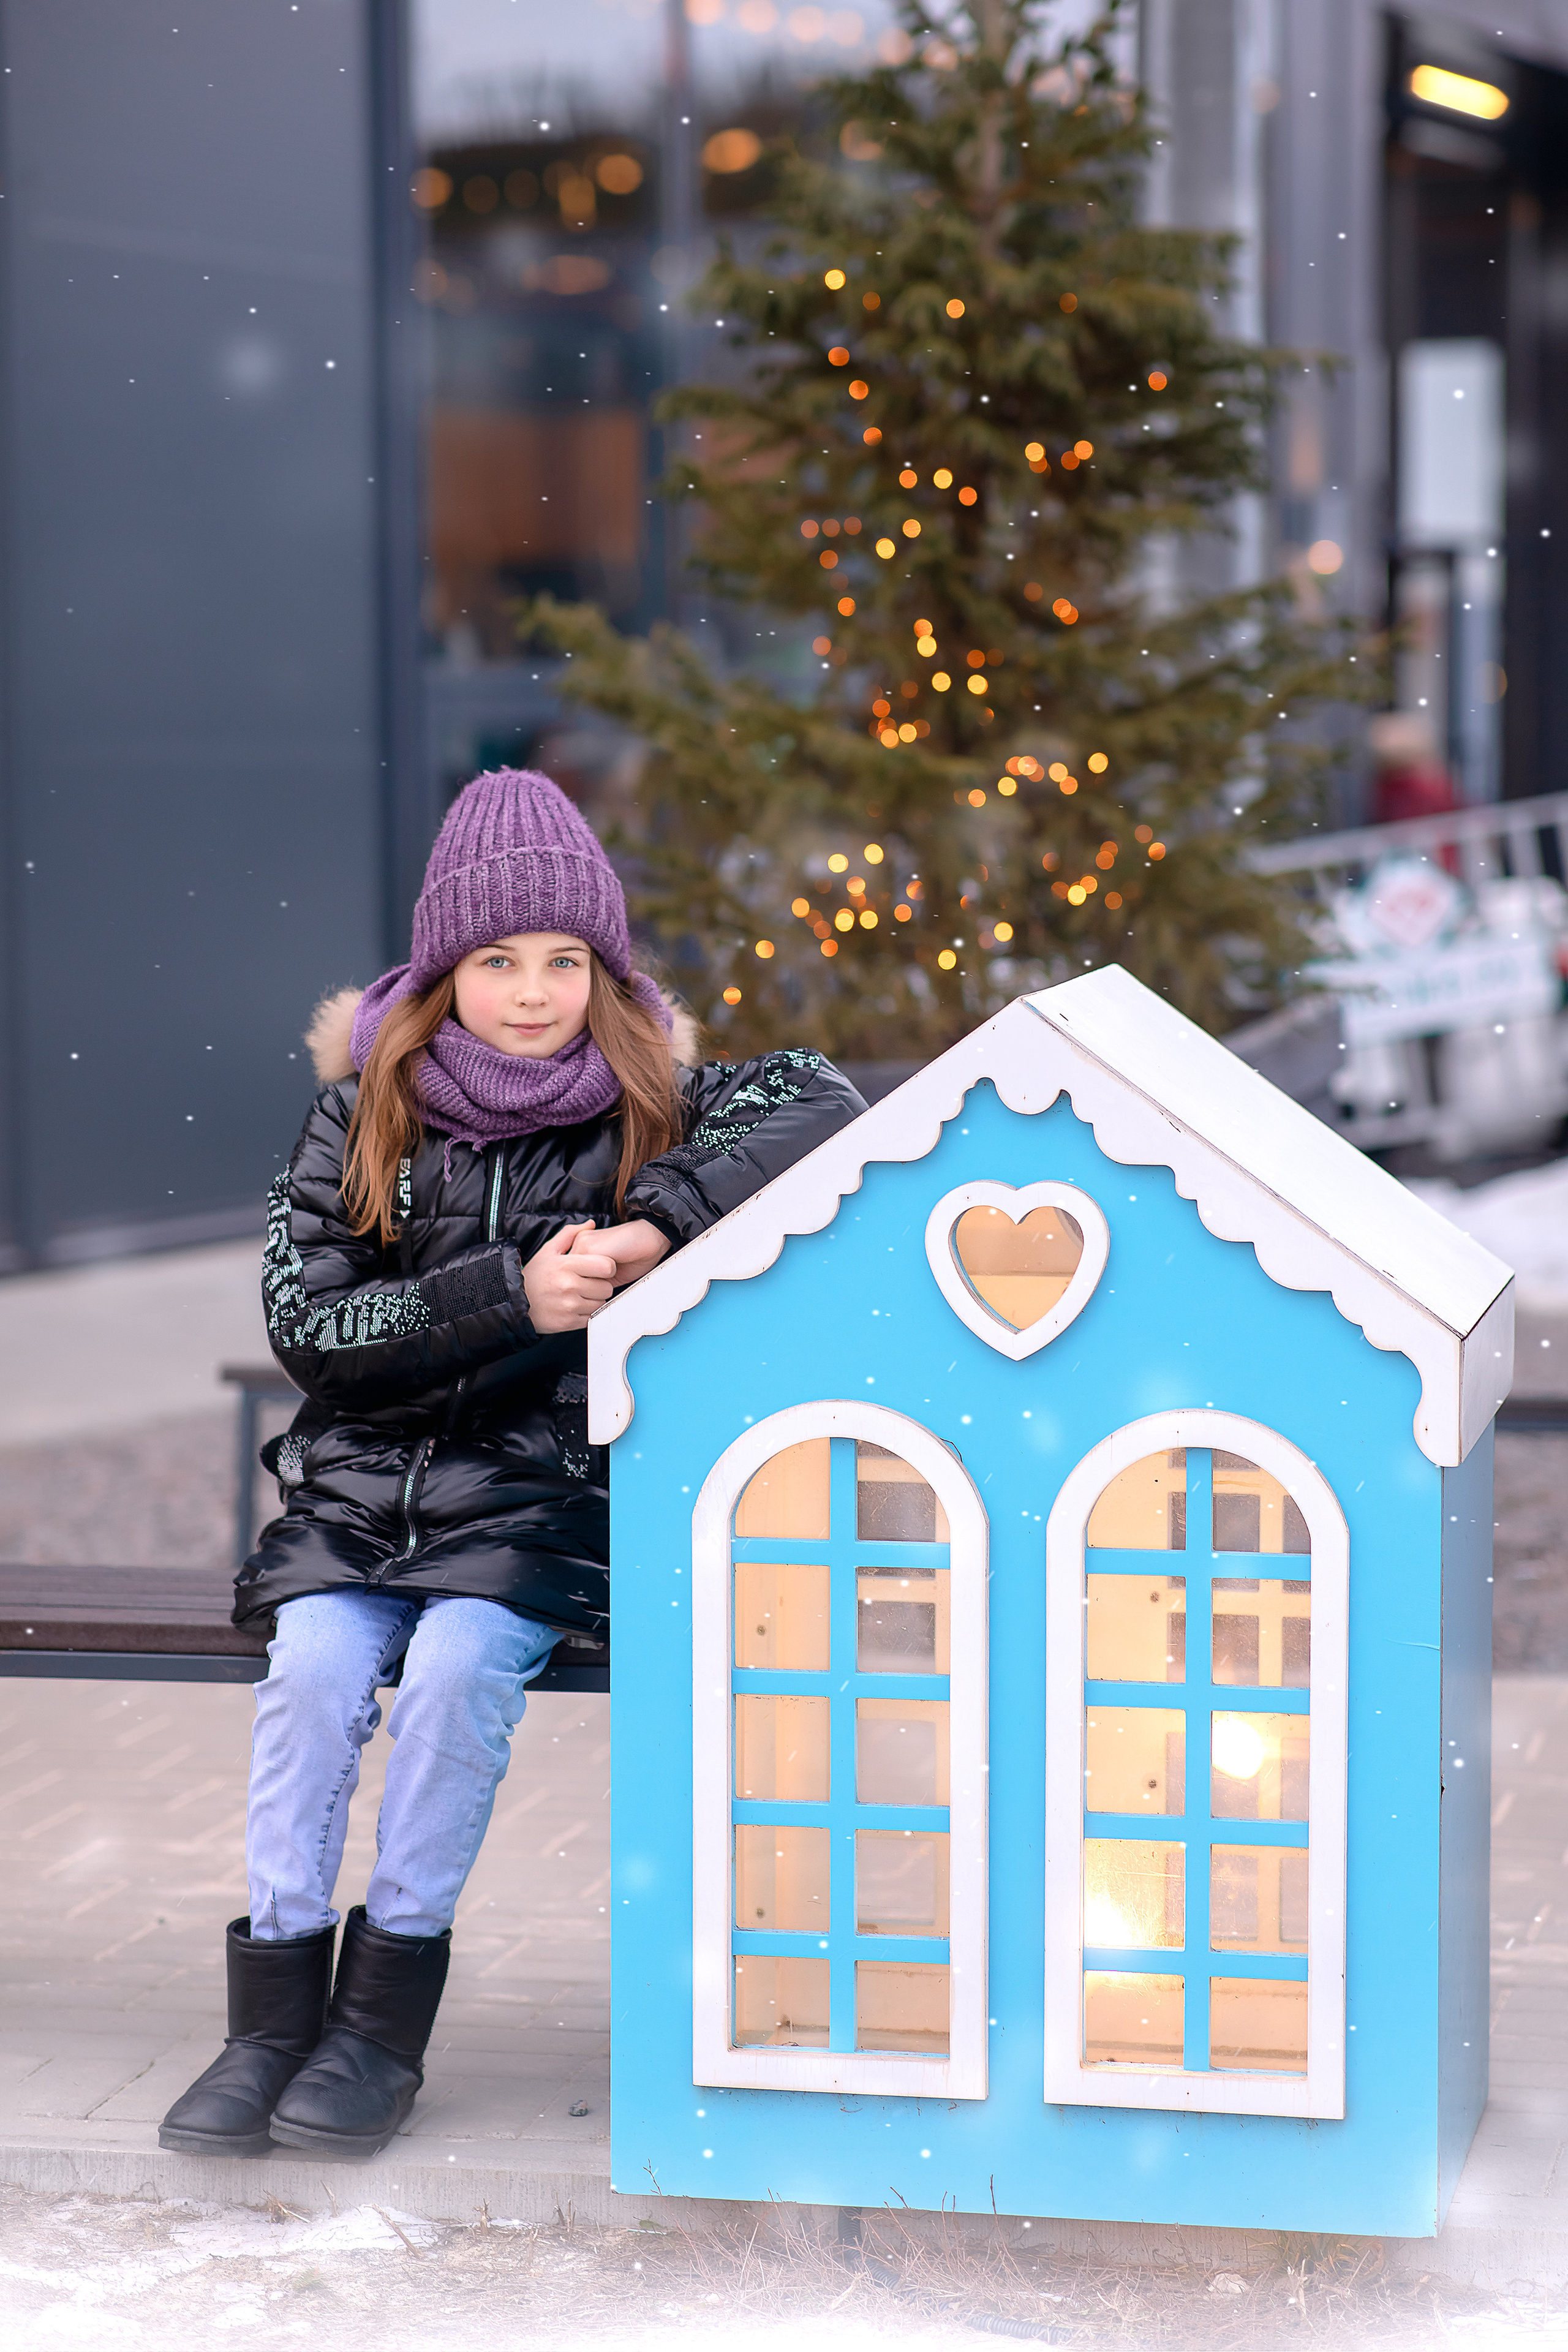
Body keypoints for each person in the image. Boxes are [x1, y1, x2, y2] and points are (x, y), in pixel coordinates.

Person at [159, 768, 864, 2162]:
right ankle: (267, 2020)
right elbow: (309, 1326)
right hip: (357, 1500)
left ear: (602, 971)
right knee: (307, 1680)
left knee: (459, 1675)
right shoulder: (364, 1115)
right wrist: (502, 1298)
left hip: (538, 1502)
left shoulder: (645, 1104)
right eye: (496, 960)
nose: (532, 991)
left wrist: (650, 1231)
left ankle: (375, 2028)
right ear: (443, 971)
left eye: (561, 959)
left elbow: (822, 1096)